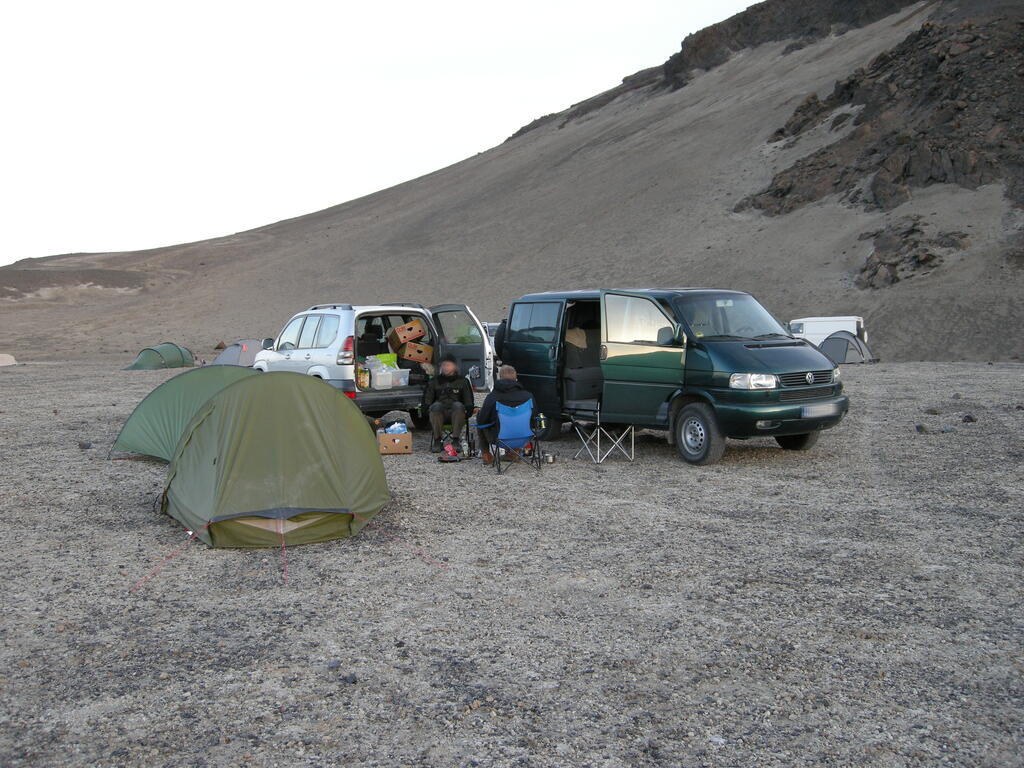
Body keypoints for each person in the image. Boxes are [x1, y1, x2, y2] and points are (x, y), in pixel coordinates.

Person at [476, 364, 535, 466]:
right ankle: (514, 452)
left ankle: (486, 454)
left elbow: (482, 420)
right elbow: (534, 416)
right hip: (525, 438)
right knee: (516, 422)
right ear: (516, 378)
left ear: (500, 377)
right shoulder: (528, 396)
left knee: (480, 418)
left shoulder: (493, 397)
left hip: (500, 438)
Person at [423, 355, 474, 453]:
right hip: (439, 415)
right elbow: (427, 400)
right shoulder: (434, 381)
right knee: (436, 406)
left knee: (458, 405)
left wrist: (468, 411)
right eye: (444, 365)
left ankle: (456, 440)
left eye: (448, 365)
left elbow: (468, 400)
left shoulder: (463, 381)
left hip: (457, 414)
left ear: (455, 366)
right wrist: (426, 410)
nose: (445, 367)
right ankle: (437, 441)